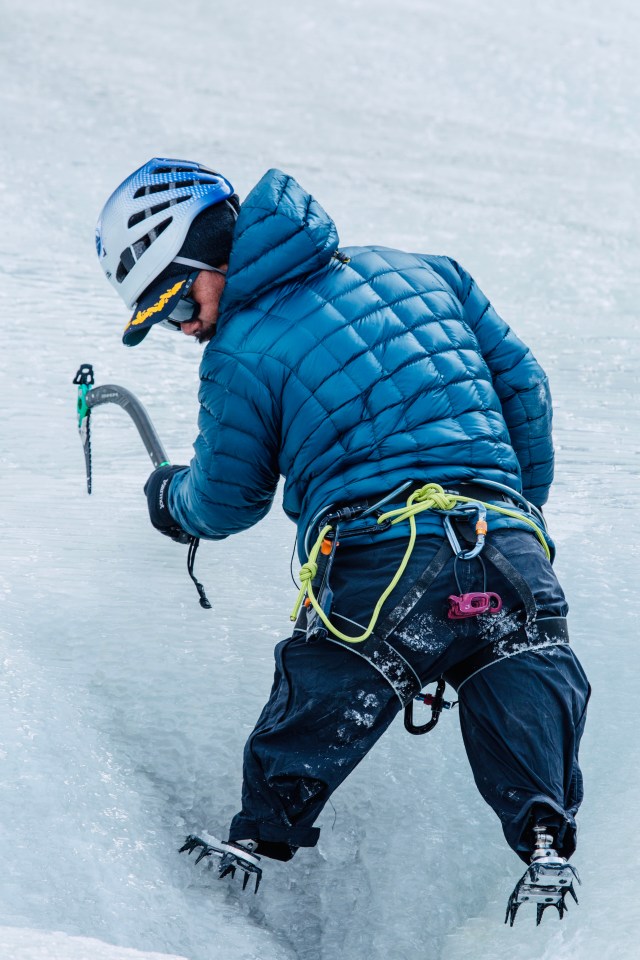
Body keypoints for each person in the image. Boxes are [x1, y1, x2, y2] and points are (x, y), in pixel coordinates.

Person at [96, 158, 590, 923]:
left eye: (174, 302)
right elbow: (522, 386)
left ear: (206, 258)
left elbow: (227, 499)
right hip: (509, 545)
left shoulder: (242, 351)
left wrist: (171, 503)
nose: (184, 329)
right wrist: (518, 515)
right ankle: (544, 841)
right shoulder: (430, 272)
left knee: (328, 682)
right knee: (521, 672)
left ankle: (258, 841)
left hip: (384, 559)